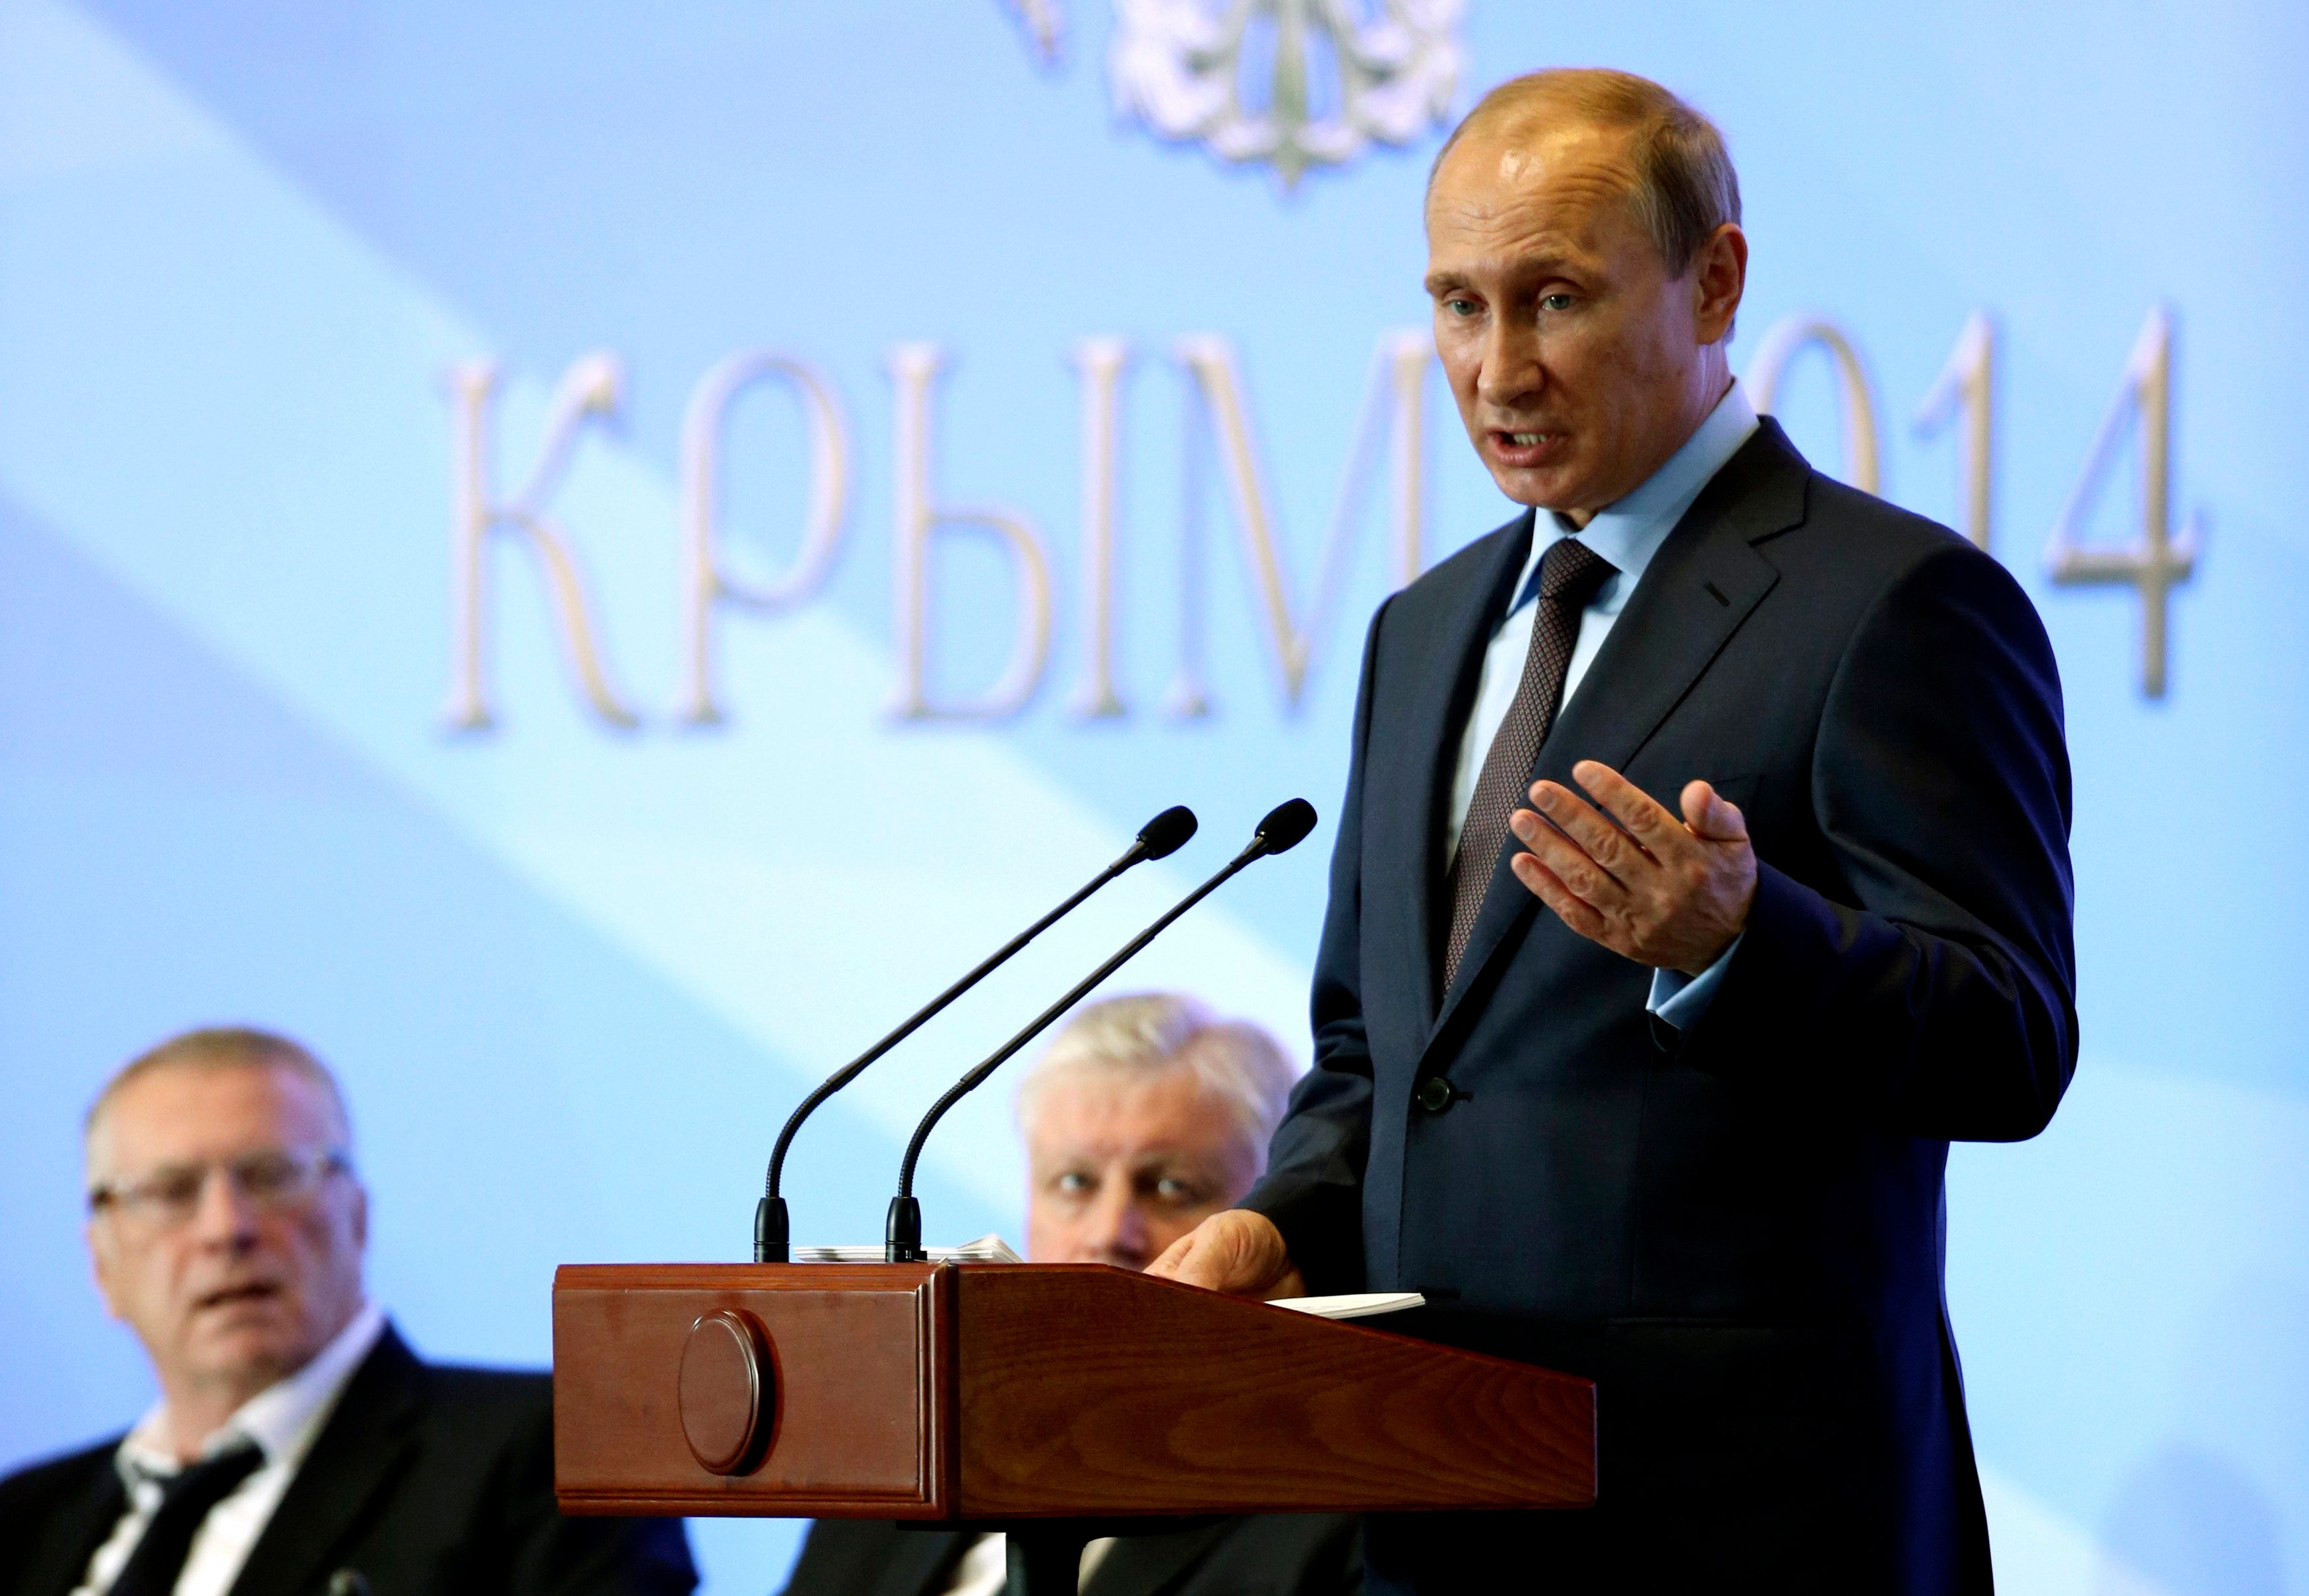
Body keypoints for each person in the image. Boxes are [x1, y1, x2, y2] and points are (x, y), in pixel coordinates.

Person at [1147, 68, 2076, 1594]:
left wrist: (1737, 946)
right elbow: (1385, 1059)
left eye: (1556, 298)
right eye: (1458, 304)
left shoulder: (1892, 603)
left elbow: (2012, 1036)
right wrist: (1277, 1225)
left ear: (1714, 280)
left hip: (1742, 1522)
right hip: (1432, 1505)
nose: (1496, 368)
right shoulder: (1423, 627)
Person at [0, 1027, 696, 1596]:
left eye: (271, 1176)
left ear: (357, 1218)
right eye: (170, 1191)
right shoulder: (21, 1519)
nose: (225, 1228)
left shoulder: (557, 1451)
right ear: (102, 1266)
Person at [782, 994, 1362, 1596]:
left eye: (1171, 1186)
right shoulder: (906, 1453)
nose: (1110, 1231)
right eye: (1075, 1181)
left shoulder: (1344, 1518)